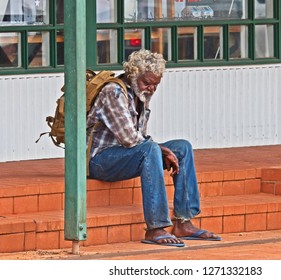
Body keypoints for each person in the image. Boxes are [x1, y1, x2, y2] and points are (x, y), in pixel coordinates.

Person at [87, 49, 221, 247]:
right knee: (150, 149)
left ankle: (184, 222)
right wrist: (159, 150)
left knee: (182, 148)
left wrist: (163, 150)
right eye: (146, 83)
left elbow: (140, 136)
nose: (150, 88)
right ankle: (155, 227)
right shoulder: (113, 92)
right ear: (133, 75)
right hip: (100, 160)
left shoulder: (140, 95)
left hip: (125, 155)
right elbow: (130, 139)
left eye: (155, 84)